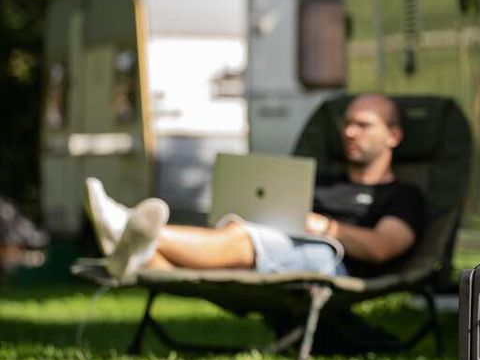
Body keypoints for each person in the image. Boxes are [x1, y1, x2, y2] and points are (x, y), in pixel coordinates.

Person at [84, 94, 425, 283]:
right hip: (280, 249)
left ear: (393, 136)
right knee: (237, 232)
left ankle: (129, 226)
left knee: (247, 238)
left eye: (364, 125)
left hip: (333, 262)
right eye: (348, 124)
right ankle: (133, 251)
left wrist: (326, 227)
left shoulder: (403, 195)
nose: (350, 132)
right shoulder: (320, 182)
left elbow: (383, 247)